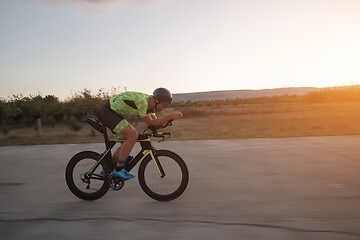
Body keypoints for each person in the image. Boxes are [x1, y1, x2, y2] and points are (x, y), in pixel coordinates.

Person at [99, 88, 183, 179]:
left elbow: (155, 123)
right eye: (165, 103)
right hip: (108, 112)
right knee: (133, 135)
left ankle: (108, 168)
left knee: (125, 145)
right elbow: (151, 123)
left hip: (115, 113)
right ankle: (118, 169)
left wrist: (170, 120)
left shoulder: (150, 106)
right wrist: (170, 116)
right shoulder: (143, 102)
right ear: (157, 100)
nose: (166, 106)